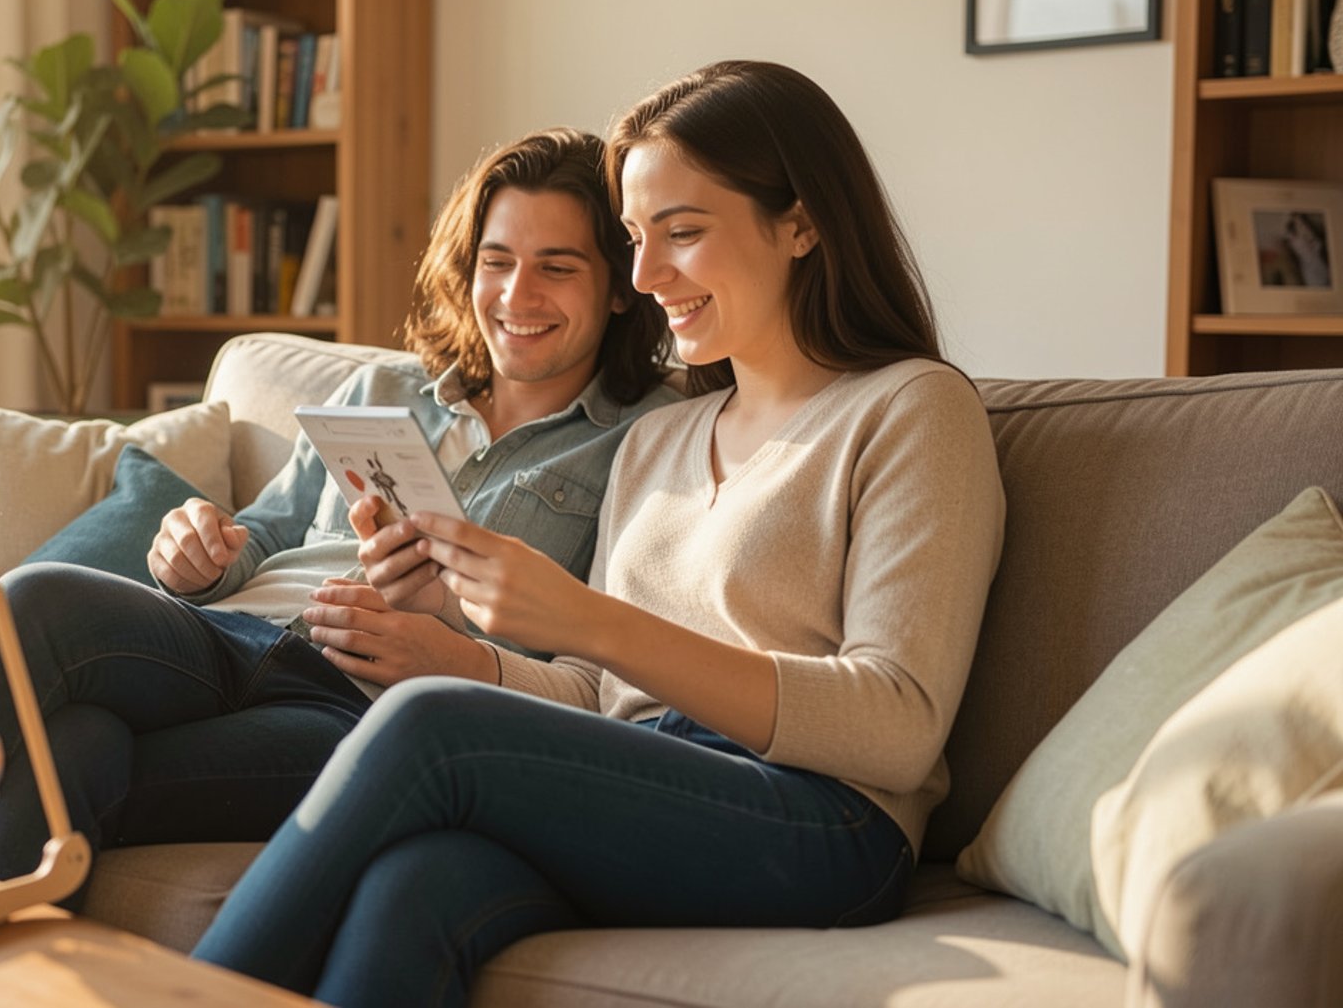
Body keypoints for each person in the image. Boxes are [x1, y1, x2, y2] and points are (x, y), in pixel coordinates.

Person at [190, 61, 1008, 1008]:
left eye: (683, 232)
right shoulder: (658, 436)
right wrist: (469, 645)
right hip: (651, 774)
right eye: (633, 237)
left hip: (822, 818)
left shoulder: (911, 409)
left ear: (801, 221)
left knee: (429, 729)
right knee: (416, 886)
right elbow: (598, 695)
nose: (647, 273)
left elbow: (900, 726)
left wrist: (588, 620)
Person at [0, 128, 680, 891]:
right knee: (37, 598)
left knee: (78, 749)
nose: (516, 293)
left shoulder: (640, 444)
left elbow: (598, 664)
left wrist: (455, 631)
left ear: (618, 288)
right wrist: (206, 549)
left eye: (557, 267)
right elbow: (274, 530)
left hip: (354, 705)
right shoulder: (386, 386)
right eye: (496, 261)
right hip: (231, 633)